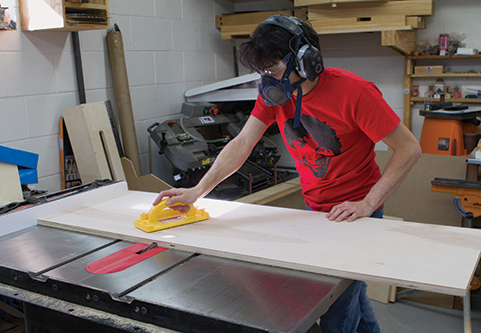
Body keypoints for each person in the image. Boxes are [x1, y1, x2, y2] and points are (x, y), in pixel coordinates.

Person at [154, 14, 421, 333]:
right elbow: (242, 144)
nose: (266, 78)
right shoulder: (275, 95)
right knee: (350, 291)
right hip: (314, 209)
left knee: (336, 311)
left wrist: (367, 204)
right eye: (262, 71)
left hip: (356, 215)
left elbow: (408, 148)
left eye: (272, 68)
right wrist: (197, 192)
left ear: (307, 60)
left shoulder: (355, 92)